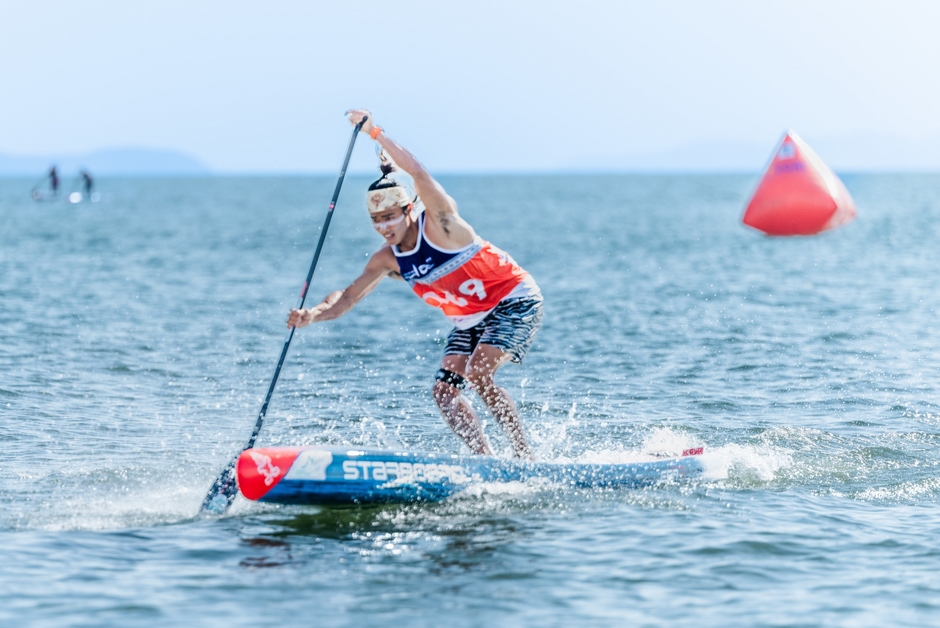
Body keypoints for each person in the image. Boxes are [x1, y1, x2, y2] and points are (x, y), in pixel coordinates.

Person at [287, 109, 544, 459]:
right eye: (376, 220)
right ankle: (485, 460)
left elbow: (418, 173)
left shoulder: (441, 225)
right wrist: (312, 315)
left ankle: (523, 455)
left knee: (479, 372)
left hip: (513, 299)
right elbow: (346, 298)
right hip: (470, 319)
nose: (384, 227)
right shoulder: (387, 259)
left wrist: (375, 133)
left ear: (408, 210)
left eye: (390, 217)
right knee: (444, 392)